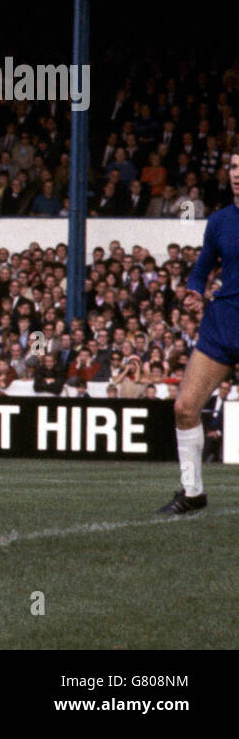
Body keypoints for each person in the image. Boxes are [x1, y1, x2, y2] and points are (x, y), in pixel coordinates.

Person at [162, 151, 239, 513]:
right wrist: (194, 290)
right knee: (184, 407)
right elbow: (201, 269)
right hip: (222, 323)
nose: (238, 174)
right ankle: (192, 494)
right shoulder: (220, 221)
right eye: (235, 167)